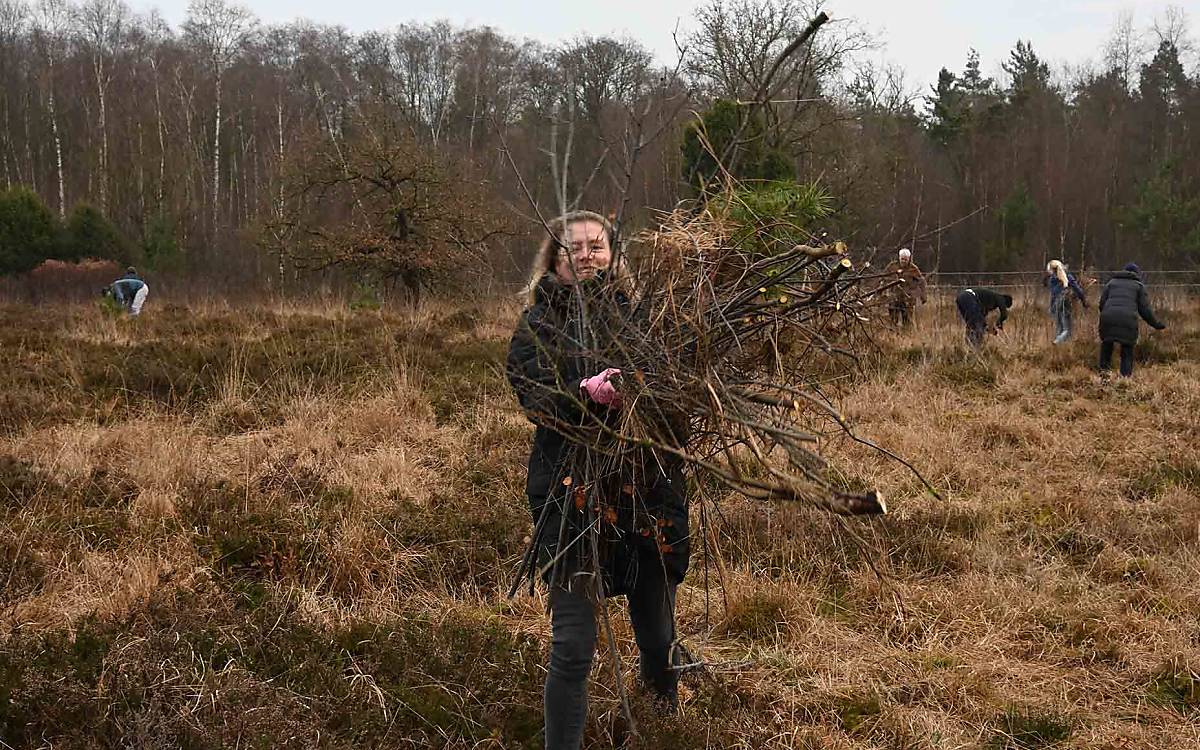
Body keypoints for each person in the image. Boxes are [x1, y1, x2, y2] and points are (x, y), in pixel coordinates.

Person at [506, 211, 689, 750]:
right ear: (555, 259)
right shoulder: (537, 327)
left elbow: (675, 405)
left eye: (596, 246)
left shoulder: (646, 319)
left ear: (613, 253)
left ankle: (663, 730)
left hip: (645, 496)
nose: (586, 255)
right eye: (574, 248)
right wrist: (581, 393)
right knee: (572, 647)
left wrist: (649, 392)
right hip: (572, 501)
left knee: (657, 638)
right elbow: (535, 396)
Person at [1098, 263, 1166, 377]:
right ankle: (1125, 380)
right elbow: (1145, 311)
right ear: (1137, 274)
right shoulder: (1138, 286)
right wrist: (1156, 324)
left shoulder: (1111, 283)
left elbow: (1101, 304)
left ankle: (1104, 377)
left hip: (1107, 318)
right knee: (1127, 351)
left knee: (1106, 347)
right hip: (1128, 320)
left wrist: (1108, 315)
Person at [1044, 259, 1087, 344]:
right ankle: (1056, 343)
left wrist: (1051, 308)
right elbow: (1078, 290)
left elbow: (1053, 295)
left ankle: (1058, 349)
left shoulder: (1052, 279)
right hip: (1065, 304)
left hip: (1055, 305)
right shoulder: (1068, 276)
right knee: (1067, 330)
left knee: (1059, 328)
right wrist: (1083, 301)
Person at [882, 247, 927, 327]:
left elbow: (921, 282)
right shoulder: (892, 266)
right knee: (893, 318)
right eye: (902, 259)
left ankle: (907, 335)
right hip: (894, 296)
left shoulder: (913, 268)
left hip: (908, 297)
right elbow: (883, 277)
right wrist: (881, 291)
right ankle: (893, 334)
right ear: (899, 258)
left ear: (909, 259)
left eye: (905, 259)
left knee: (907, 319)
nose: (903, 261)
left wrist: (923, 296)